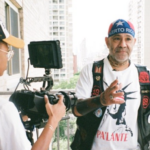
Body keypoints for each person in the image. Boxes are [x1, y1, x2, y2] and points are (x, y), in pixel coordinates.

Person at [71, 19, 150, 150]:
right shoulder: (91, 71)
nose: (123, 44)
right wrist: (101, 100)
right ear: (107, 42)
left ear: (134, 42)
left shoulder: (144, 76)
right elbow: (76, 109)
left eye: (128, 39)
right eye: (117, 38)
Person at [0, 19, 66, 150]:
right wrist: (53, 120)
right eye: (7, 52)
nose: (8, 59)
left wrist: (18, 121)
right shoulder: (4, 109)